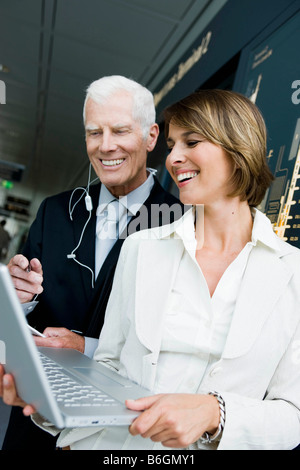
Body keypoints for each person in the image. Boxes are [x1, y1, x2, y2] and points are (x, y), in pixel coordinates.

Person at [2, 88, 300, 450]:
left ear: (238, 149)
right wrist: (51, 402)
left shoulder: (291, 272)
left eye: (191, 142)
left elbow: (292, 415)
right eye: (172, 145)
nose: (174, 158)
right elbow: (108, 371)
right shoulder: (142, 249)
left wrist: (214, 413)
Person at [1, 75, 183, 450]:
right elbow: (25, 321)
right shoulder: (54, 211)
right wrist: (22, 298)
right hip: (35, 419)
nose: (105, 146)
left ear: (151, 137)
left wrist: (85, 347)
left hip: (117, 431)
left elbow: (173, 340)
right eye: (93, 132)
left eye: (119, 131)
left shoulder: (180, 222)